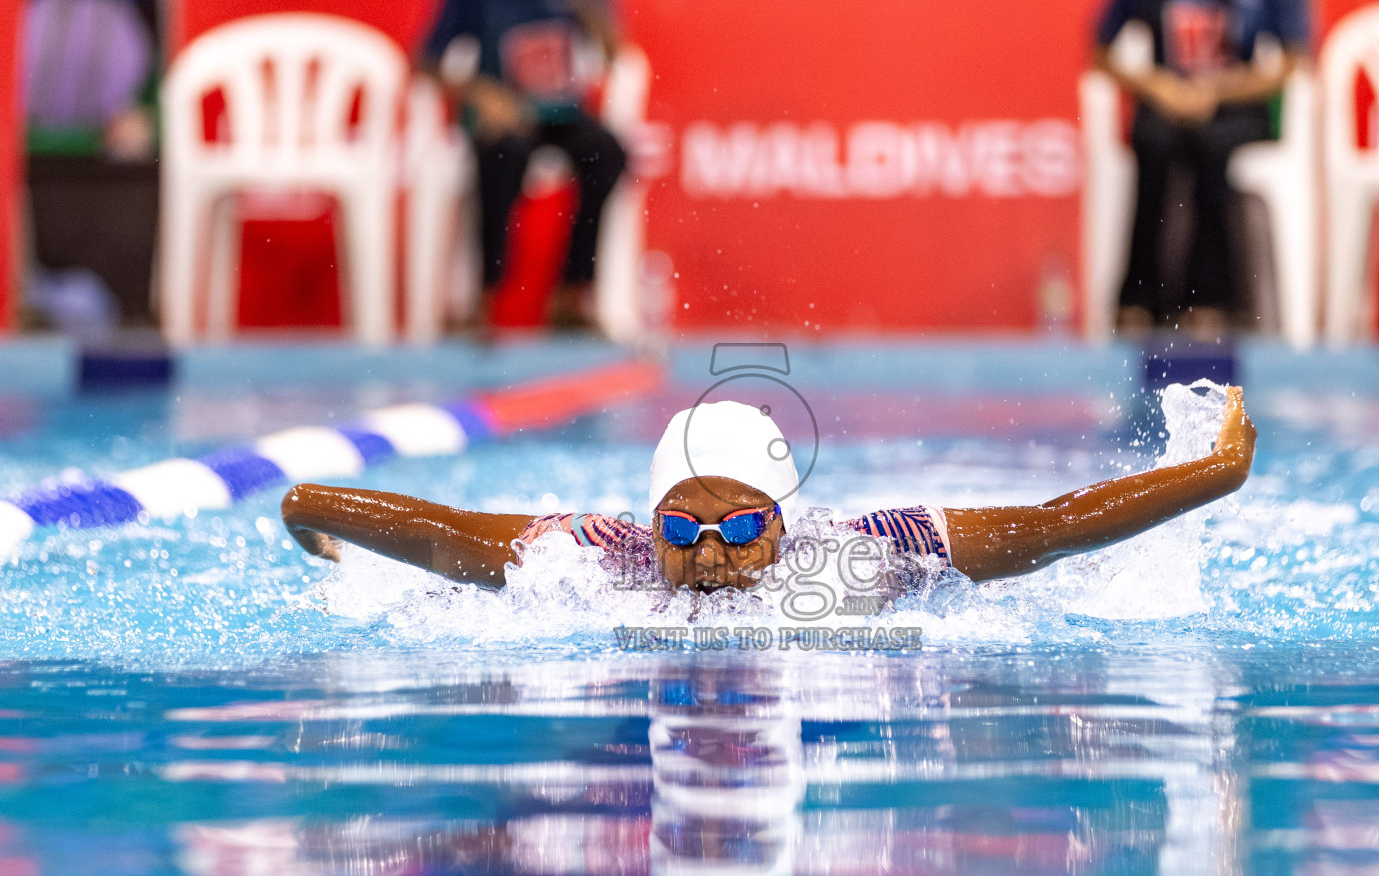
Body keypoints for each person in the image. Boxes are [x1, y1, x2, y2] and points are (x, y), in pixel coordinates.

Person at [281, 390, 1257, 597]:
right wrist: (308, 505)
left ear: (784, 522)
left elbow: (1052, 528)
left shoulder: (869, 546)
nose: (708, 552)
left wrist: (1212, 474)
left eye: (742, 525)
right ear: (649, 522)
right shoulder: (606, 555)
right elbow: (444, 535)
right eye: (682, 529)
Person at [1094, 0, 1307, 336]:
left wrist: (1219, 89)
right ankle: (1138, 298)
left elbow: (1292, 60)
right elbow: (1100, 54)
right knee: (1152, 142)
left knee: (1213, 147)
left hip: (1238, 103)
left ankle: (1210, 299)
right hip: (1164, 100)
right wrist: (1158, 86)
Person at [422, 0, 628, 330]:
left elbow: (613, 52)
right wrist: (480, 94)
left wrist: (586, 4)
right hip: (503, 114)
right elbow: (426, 61)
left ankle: (572, 295)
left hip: (563, 114)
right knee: (502, 155)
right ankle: (484, 297)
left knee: (606, 154)